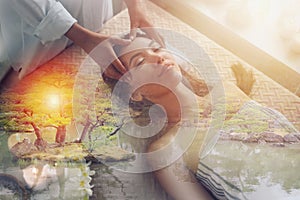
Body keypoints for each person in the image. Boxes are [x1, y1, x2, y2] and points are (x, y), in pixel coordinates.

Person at [0, 0, 164, 83]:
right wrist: (84, 37)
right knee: (29, 76)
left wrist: (135, 3)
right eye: (140, 62)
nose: (159, 59)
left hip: (96, 17)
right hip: (38, 27)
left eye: (156, 49)